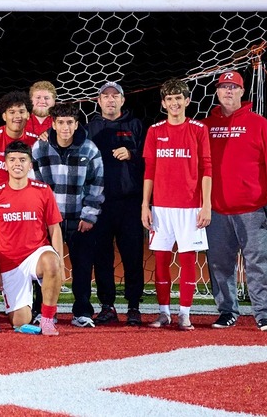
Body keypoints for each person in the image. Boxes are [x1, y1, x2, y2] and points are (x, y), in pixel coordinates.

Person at [203, 70, 267, 332]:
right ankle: (227, 311)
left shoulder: (259, 124)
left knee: (259, 262)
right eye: (223, 87)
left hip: (252, 209)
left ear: (242, 92)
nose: (228, 91)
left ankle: (264, 313)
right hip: (216, 210)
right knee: (219, 263)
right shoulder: (205, 127)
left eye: (233, 87)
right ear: (217, 92)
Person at [142, 78, 212, 331]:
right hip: (161, 208)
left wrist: (206, 205)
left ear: (187, 100)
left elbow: (207, 169)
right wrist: (145, 205)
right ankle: (163, 313)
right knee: (160, 262)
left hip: (190, 207)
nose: (174, 103)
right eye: (169, 99)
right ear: (163, 103)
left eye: (178, 98)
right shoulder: (155, 131)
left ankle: (185, 313)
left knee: (187, 261)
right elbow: (149, 170)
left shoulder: (198, 129)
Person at [31, 102, 104, 328]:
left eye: (69, 123)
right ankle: (42, 311)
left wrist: (89, 216)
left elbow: (97, 183)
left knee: (82, 267)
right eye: (60, 123)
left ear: (76, 124)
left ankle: (82, 312)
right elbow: (33, 185)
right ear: (53, 124)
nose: (65, 127)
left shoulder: (89, 149)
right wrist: (40, 218)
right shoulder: (39, 148)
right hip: (48, 221)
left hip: (78, 219)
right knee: (43, 268)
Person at [0, 140, 65, 336]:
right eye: (12, 159)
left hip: (36, 254)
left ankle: (47, 320)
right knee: (20, 322)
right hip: (9, 262)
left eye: (22, 159)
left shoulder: (43, 191)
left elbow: (54, 229)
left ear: (30, 164)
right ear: (5, 164)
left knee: (51, 262)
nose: (17, 164)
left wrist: (61, 264)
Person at [85, 81, 146, 326]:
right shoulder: (89, 129)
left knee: (132, 256)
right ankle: (107, 305)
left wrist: (132, 154)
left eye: (115, 96)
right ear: (98, 101)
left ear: (122, 100)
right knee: (102, 258)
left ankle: (134, 306)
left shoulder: (137, 125)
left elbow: (150, 159)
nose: (110, 100)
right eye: (105, 96)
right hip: (100, 204)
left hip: (130, 203)